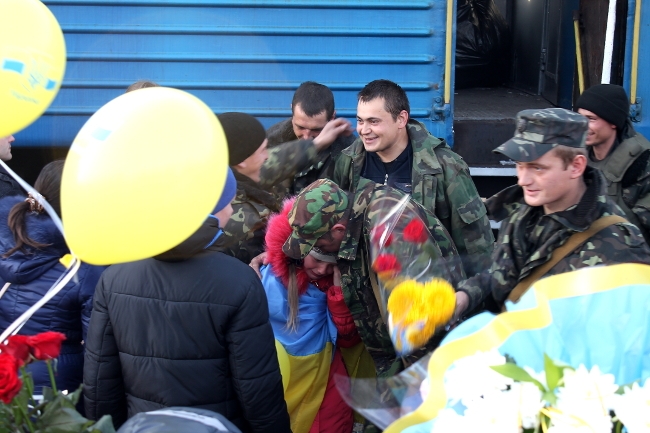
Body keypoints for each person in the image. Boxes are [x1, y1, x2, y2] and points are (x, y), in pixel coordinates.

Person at [83, 168, 291, 433]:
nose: (232, 209)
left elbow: (100, 379)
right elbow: (257, 387)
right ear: (209, 211)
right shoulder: (240, 281)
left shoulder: (114, 277)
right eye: (228, 201)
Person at [453, 108, 650, 318]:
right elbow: (501, 273)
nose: (523, 180)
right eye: (520, 165)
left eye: (538, 168)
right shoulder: (523, 214)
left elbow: (626, 330)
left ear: (576, 166)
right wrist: (464, 297)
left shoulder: (620, 245)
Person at [278, 178, 464, 378]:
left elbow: (422, 319)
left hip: (433, 366)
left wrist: (417, 383)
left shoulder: (390, 230)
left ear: (338, 230)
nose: (322, 252)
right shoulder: (356, 214)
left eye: (320, 246)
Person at [332, 79, 494, 275]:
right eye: (360, 121)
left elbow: (475, 245)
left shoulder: (445, 167)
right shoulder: (349, 162)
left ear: (401, 119)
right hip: (367, 284)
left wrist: (473, 290)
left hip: (426, 282)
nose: (364, 130)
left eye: (373, 121)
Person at [0, 160, 104, 394]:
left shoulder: (5, 246)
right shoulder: (85, 268)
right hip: (58, 391)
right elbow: (97, 351)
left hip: (6, 383)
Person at [261, 197, 360, 433]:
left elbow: (348, 340)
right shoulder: (267, 280)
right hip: (282, 386)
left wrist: (338, 294)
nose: (323, 270)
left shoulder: (335, 284)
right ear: (298, 251)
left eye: (332, 264)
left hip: (327, 384)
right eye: (317, 260)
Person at [216, 112, 352, 264]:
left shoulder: (227, 170)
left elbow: (277, 162)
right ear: (242, 161)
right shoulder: (243, 221)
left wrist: (315, 145)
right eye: (263, 150)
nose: (268, 156)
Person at [575, 84, 650, 244]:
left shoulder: (641, 162)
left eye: (591, 119)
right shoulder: (577, 153)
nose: (582, 125)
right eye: (580, 117)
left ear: (613, 122)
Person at [266, 81, 356, 197]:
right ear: (292, 111)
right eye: (301, 127)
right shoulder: (272, 141)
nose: (307, 137)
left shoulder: (349, 151)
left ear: (332, 117)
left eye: (316, 129)